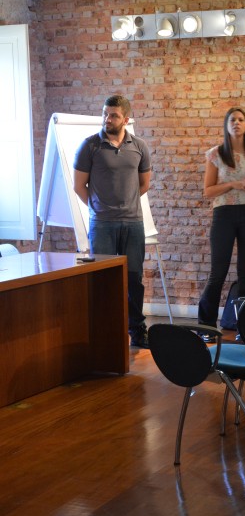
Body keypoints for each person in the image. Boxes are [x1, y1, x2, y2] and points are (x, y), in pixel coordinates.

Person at [73, 95, 151, 348]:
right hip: (102, 224)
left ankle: (137, 331)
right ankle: (104, 331)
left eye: (114, 115)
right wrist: (100, 209)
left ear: (126, 118)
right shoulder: (89, 146)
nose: (108, 118)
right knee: (103, 279)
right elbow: (78, 186)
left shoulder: (139, 146)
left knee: (134, 278)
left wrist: (124, 205)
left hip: (133, 223)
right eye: (105, 113)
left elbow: (143, 185)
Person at [197, 107, 245, 341]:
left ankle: (243, 328)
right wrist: (234, 185)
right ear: (226, 126)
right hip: (224, 214)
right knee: (218, 272)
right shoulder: (216, 154)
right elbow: (208, 191)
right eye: (232, 120)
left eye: (241, 119)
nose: (236, 123)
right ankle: (206, 326)